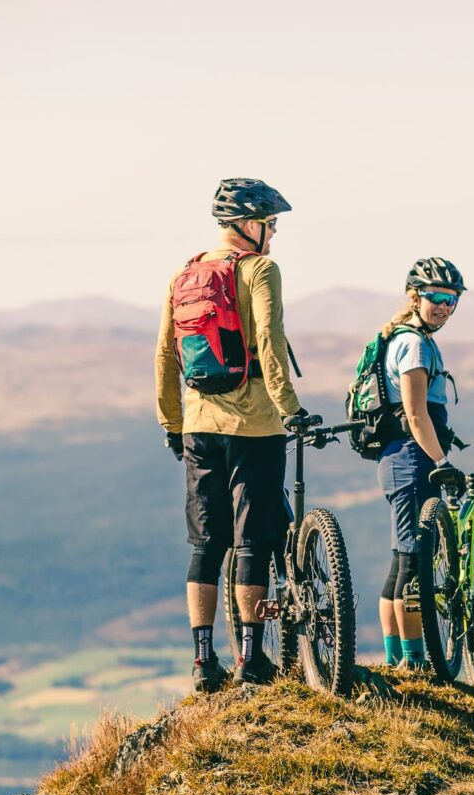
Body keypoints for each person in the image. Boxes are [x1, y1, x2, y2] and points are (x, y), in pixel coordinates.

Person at [154, 178, 301, 694]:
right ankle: (250, 658)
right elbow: (268, 337)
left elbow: (166, 356)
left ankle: (202, 661)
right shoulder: (261, 269)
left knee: (205, 542)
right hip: (254, 425)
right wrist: (291, 409)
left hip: (198, 425)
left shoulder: (184, 273)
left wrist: (172, 423)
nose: (274, 233)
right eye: (271, 224)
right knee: (253, 540)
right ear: (248, 224)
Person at [376, 258, 466, 670]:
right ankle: (413, 662)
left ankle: (399, 658)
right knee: (413, 564)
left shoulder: (410, 338)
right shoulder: (413, 344)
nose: (444, 307)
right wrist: (441, 460)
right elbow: (415, 414)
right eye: (436, 298)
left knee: (402, 560)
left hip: (400, 459)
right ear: (415, 297)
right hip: (412, 460)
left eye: (451, 300)